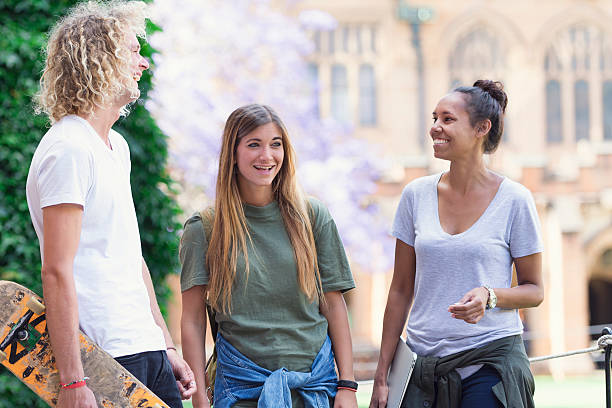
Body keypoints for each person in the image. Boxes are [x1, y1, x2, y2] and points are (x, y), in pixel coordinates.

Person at [26, 2, 195, 407]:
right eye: (134, 51)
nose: (143, 63)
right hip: (104, 354)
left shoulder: (115, 147)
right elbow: (56, 268)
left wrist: (165, 344)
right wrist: (72, 381)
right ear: (100, 57)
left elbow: (129, 257)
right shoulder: (68, 148)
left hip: (145, 347)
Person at [369, 80, 544, 408]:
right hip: (422, 366)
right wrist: (382, 375)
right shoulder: (414, 195)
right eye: (434, 118)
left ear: (482, 128)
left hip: (491, 363)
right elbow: (400, 290)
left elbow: (534, 290)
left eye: (447, 120)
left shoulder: (515, 200)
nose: (435, 128)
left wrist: (490, 295)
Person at [180, 103, 358, 408]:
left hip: (316, 387)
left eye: (276, 145)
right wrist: (199, 400)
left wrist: (348, 386)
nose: (267, 156)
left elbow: (333, 303)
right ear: (232, 155)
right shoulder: (205, 228)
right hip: (243, 390)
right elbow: (192, 320)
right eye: (254, 145)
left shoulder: (312, 216)